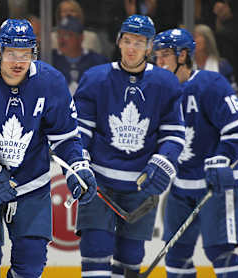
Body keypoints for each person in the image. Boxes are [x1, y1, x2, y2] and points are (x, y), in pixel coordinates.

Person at [0, 19, 97, 278]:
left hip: (30, 185)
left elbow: (66, 138)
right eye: (12, 53)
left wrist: (78, 168)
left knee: (31, 263)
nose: (17, 62)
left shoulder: (50, 82)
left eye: (24, 55)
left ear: (33, 54)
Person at [73, 14, 185, 277]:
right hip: (99, 182)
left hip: (140, 184)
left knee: (131, 256)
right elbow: (79, 131)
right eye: (127, 41)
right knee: (95, 249)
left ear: (149, 47)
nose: (132, 48)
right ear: (118, 42)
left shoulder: (165, 83)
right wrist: (79, 161)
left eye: (139, 42)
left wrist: (164, 161)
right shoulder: (96, 78)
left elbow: (174, 134)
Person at [153, 28, 238, 278]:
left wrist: (222, 158)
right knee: (175, 255)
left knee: (220, 252)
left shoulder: (211, 84)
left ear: (183, 55)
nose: (159, 61)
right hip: (182, 183)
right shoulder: (159, 94)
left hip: (215, 181)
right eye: (157, 56)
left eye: (165, 54)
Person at [53, 16, 109, 95]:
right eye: (59, 35)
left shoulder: (98, 62)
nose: (61, 40)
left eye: (67, 35)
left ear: (81, 38)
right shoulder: (50, 59)